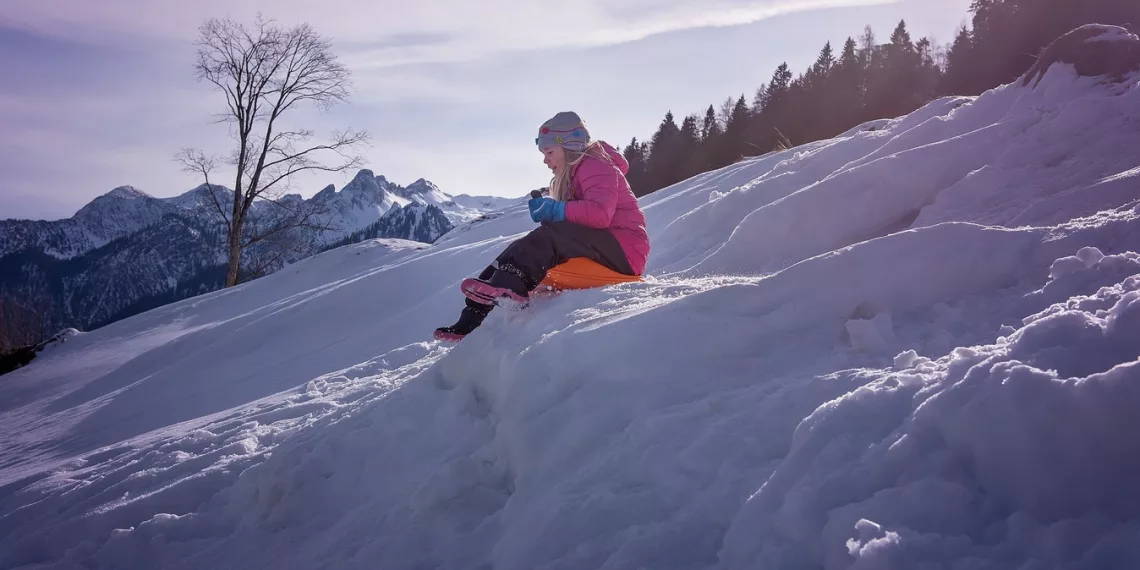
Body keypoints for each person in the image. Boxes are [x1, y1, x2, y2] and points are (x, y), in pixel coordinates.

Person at [434, 111, 650, 341]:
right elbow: (576, 228)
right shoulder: (574, 175)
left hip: (624, 250)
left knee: (546, 239)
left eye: (549, 152)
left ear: (569, 148)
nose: (545, 160)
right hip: (604, 248)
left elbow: (599, 215)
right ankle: (472, 318)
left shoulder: (596, 165)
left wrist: (556, 211)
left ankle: (511, 287)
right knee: (516, 250)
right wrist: (555, 214)